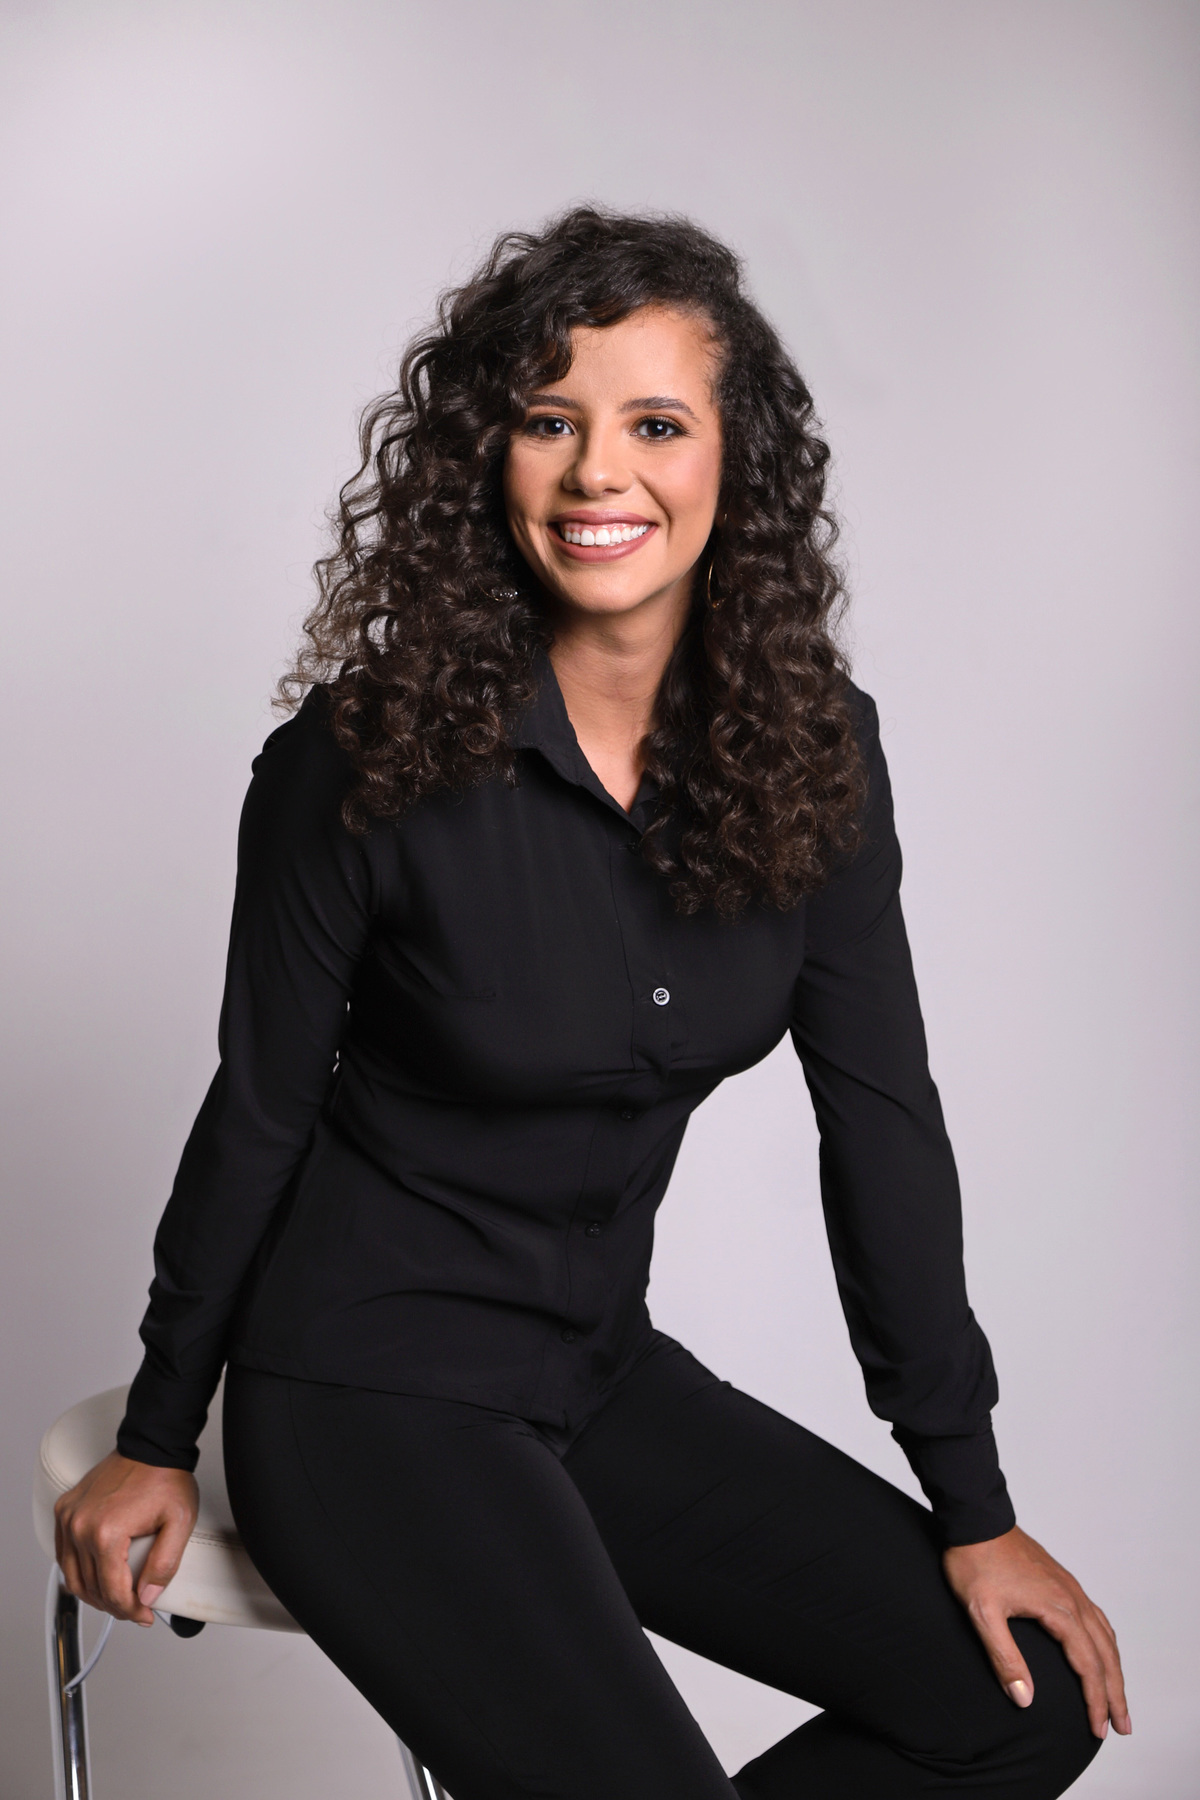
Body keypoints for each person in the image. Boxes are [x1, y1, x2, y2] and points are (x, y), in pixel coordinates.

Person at [54, 208, 1128, 1799]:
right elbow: (260, 1110)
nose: (597, 474)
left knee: (1022, 1703)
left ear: (736, 462)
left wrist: (974, 1506)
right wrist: (158, 1434)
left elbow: (883, 1127)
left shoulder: (817, 752)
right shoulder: (358, 760)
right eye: (548, 421)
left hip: (597, 1377)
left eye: (656, 425)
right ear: (486, 457)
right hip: (364, 1394)